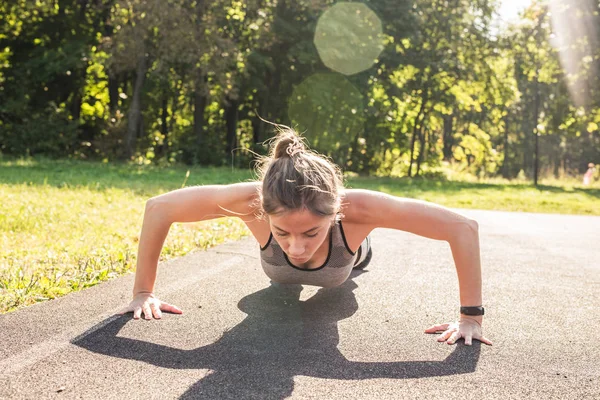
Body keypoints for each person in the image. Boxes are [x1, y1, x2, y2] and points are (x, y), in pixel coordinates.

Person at [119, 124, 492, 346]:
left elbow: (462, 228)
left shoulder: (358, 209)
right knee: (282, 276)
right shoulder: (250, 201)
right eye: (282, 232)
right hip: (276, 272)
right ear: (264, 213)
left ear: (335, 214)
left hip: (346, 261)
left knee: (346, 272)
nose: (296, 247)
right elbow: (158, 208)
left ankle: (352, 248)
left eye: (311, 232)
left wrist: (470, 317)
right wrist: (143, 293)